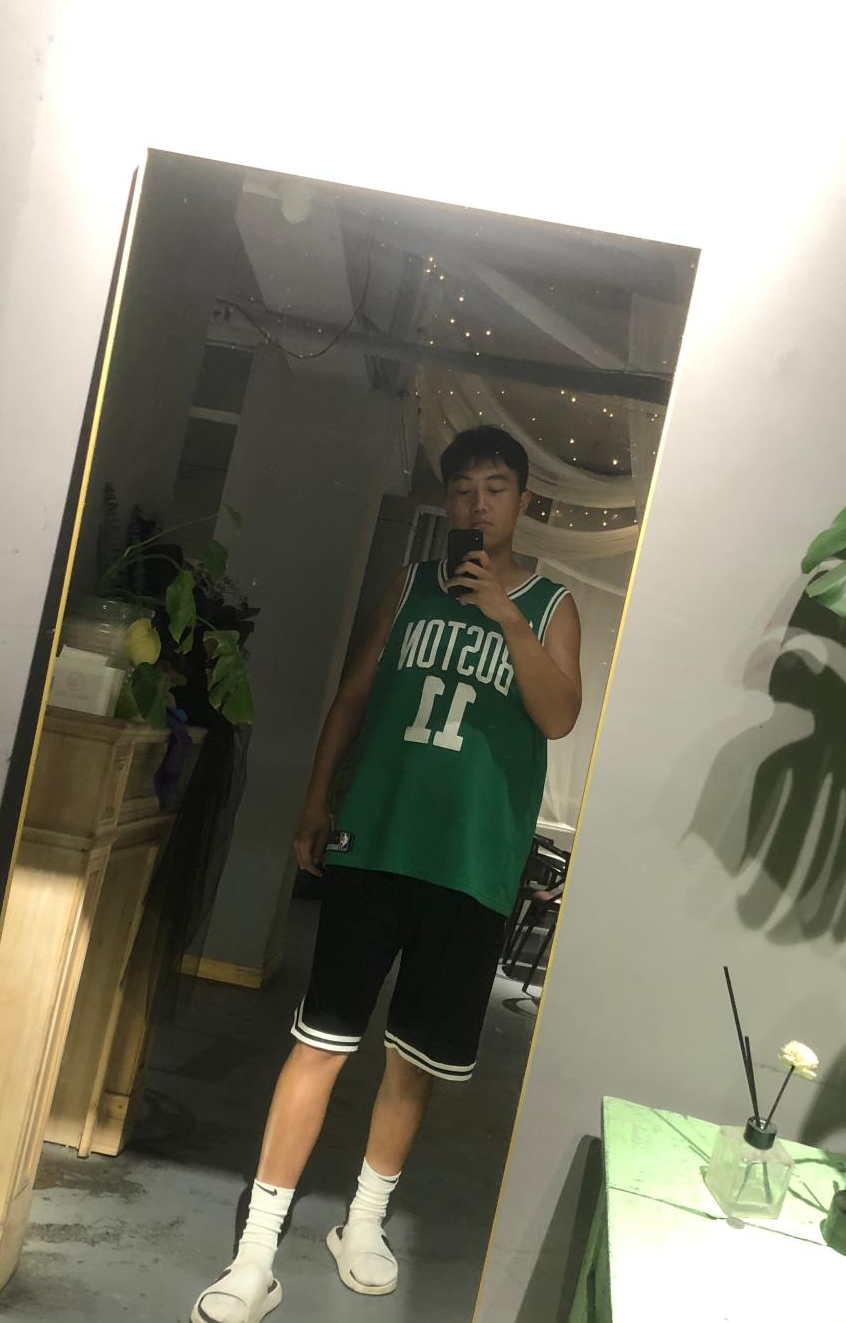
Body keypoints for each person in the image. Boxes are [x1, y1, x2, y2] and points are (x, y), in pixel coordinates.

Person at [191, 426, 582, 1323]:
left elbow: (559, 715)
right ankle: (256, 1252)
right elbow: (354, 696)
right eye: (464, 490)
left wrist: (507, 616)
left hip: (472, 866)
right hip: (376, 845)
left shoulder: (553, 603)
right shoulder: (409, 586)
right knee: (319, 1041)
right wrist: (315, 799)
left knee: (414, 1061)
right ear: (448, 502)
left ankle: (362, 1221)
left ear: (521, 500)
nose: (478, 504)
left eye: (495, 488)